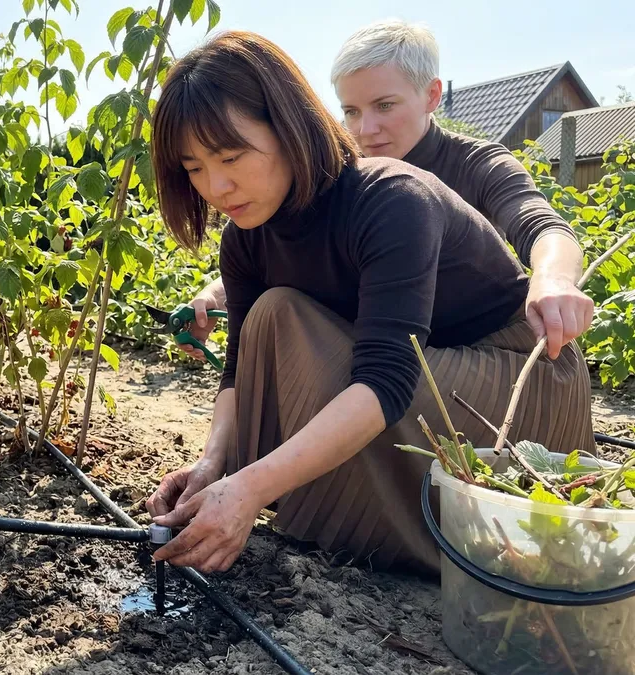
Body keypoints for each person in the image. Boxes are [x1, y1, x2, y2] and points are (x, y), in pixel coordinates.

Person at [143, 29, 596, 576]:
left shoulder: (393, 196)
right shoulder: (246, 234)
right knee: (271, 314)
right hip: (417, 372)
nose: (215, 186)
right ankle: (316, 498)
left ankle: (418, 529)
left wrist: (249, 488)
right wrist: (214, 465)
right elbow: (238, 365)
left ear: (288, 129)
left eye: (232, 156)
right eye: (193, 168)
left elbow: (385, 378)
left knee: (292, 328)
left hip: (515, 376)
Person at [177, 19, 594, 367]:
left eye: (385, 106)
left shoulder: (475, 163)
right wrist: (221, 291)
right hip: (393, 350)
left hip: (476, 354)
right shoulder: (343, 174)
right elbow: (302, 248)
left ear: (431, 95)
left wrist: (553, 277)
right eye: (351, 111)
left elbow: (540, 223)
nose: (364, 129)